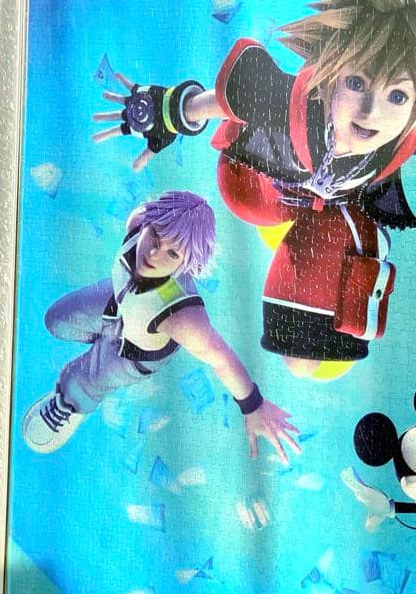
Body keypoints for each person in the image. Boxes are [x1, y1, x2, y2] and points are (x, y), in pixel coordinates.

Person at [93, 0, 416, 378]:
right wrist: (162, 112)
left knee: (301, 360)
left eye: (397, 96)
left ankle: (320, 246)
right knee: (249, 200)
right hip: (255, 183)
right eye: (356, 83)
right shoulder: (284, 103)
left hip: (327, 204)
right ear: (330, 76)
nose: (370, 112)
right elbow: (219, 101)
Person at [21, 190, 301, 462]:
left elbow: (221, 358)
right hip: (116, 303)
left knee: (80, 380)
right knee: (56, 320)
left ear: (187, 264)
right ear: (148, 222)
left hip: (134, 353)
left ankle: (71, 403)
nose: (154, 253)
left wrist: (253, 406)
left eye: (173, 254)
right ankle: (98, 342)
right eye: (155, 235)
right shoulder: (137, 223)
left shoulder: (182, 316)